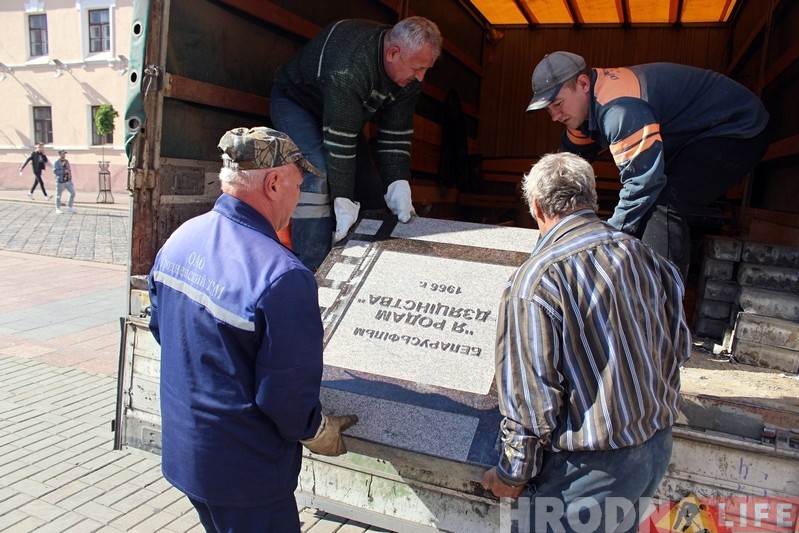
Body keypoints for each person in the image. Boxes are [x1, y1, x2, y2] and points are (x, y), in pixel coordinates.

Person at [148, 126, 358, 532]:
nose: (298, 199)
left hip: (186, 452)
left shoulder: (180, 238)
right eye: (298, 185)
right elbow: (285, 397)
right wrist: (318, 431)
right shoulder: (283, 276)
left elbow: (164, 330)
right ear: (274, 183)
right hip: (246, 474)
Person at [482, 153, 691, 533]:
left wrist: (511, 475)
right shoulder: (646, 256)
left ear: (536, 207)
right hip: (653, 451)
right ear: (594, 200)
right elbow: (676, 348)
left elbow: (531, 402)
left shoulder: (536, 281)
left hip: (585, 478)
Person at [525, 51, 770, 278]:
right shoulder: (582, 112)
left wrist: (603, 243)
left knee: (665, 202)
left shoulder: (619, 109)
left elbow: (642, 185)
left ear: (583, 84)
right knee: (654, 203)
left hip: (738, 127)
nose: (555, 116)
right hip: (697, 133)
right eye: (549, 109)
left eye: (558, 104)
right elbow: (562, 173)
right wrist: (548, 234)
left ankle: (661, 306)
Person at [271, 16, 442, 270]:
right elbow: (340, 143)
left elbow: (395, 135)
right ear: (393, 53)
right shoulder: (350, 66)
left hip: (344, 116)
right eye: (417, 69)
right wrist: (342, 198)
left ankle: (363, 268)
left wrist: (398, 184)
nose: (420, 78)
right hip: (297, 103)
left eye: (426, 69)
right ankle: (312, 270)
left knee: (370, 188)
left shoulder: (408, 77)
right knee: (318, 174)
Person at [52, 149, 77, 214]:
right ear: (59, 154)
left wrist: (70, 178)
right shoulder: (56, 162)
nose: (64, 155)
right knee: (58, 195)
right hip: (60, 181)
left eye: (64, 154)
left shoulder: (66, 161)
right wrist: (63, 171)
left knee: (72, 193)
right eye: (62, 153)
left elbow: (69, 170)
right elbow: (55, 171)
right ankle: (57, 208)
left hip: (67, 181)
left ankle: (69, 207)